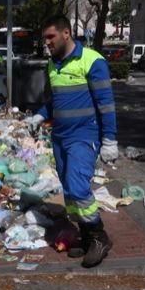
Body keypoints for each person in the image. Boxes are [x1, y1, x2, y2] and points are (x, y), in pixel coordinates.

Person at [25, 15, 118, 268]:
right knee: (69, 192)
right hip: (60, 137)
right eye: (45, 38)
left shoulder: (92, 61)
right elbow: (54, 102)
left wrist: (110, 139)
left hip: (84, 136)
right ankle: (86, 235)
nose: (47, 43)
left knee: (78, 188)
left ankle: (99, 237)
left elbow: (106, 104)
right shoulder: (53, 65)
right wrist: (39, 116)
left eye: (50, 37)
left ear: (66, 33)